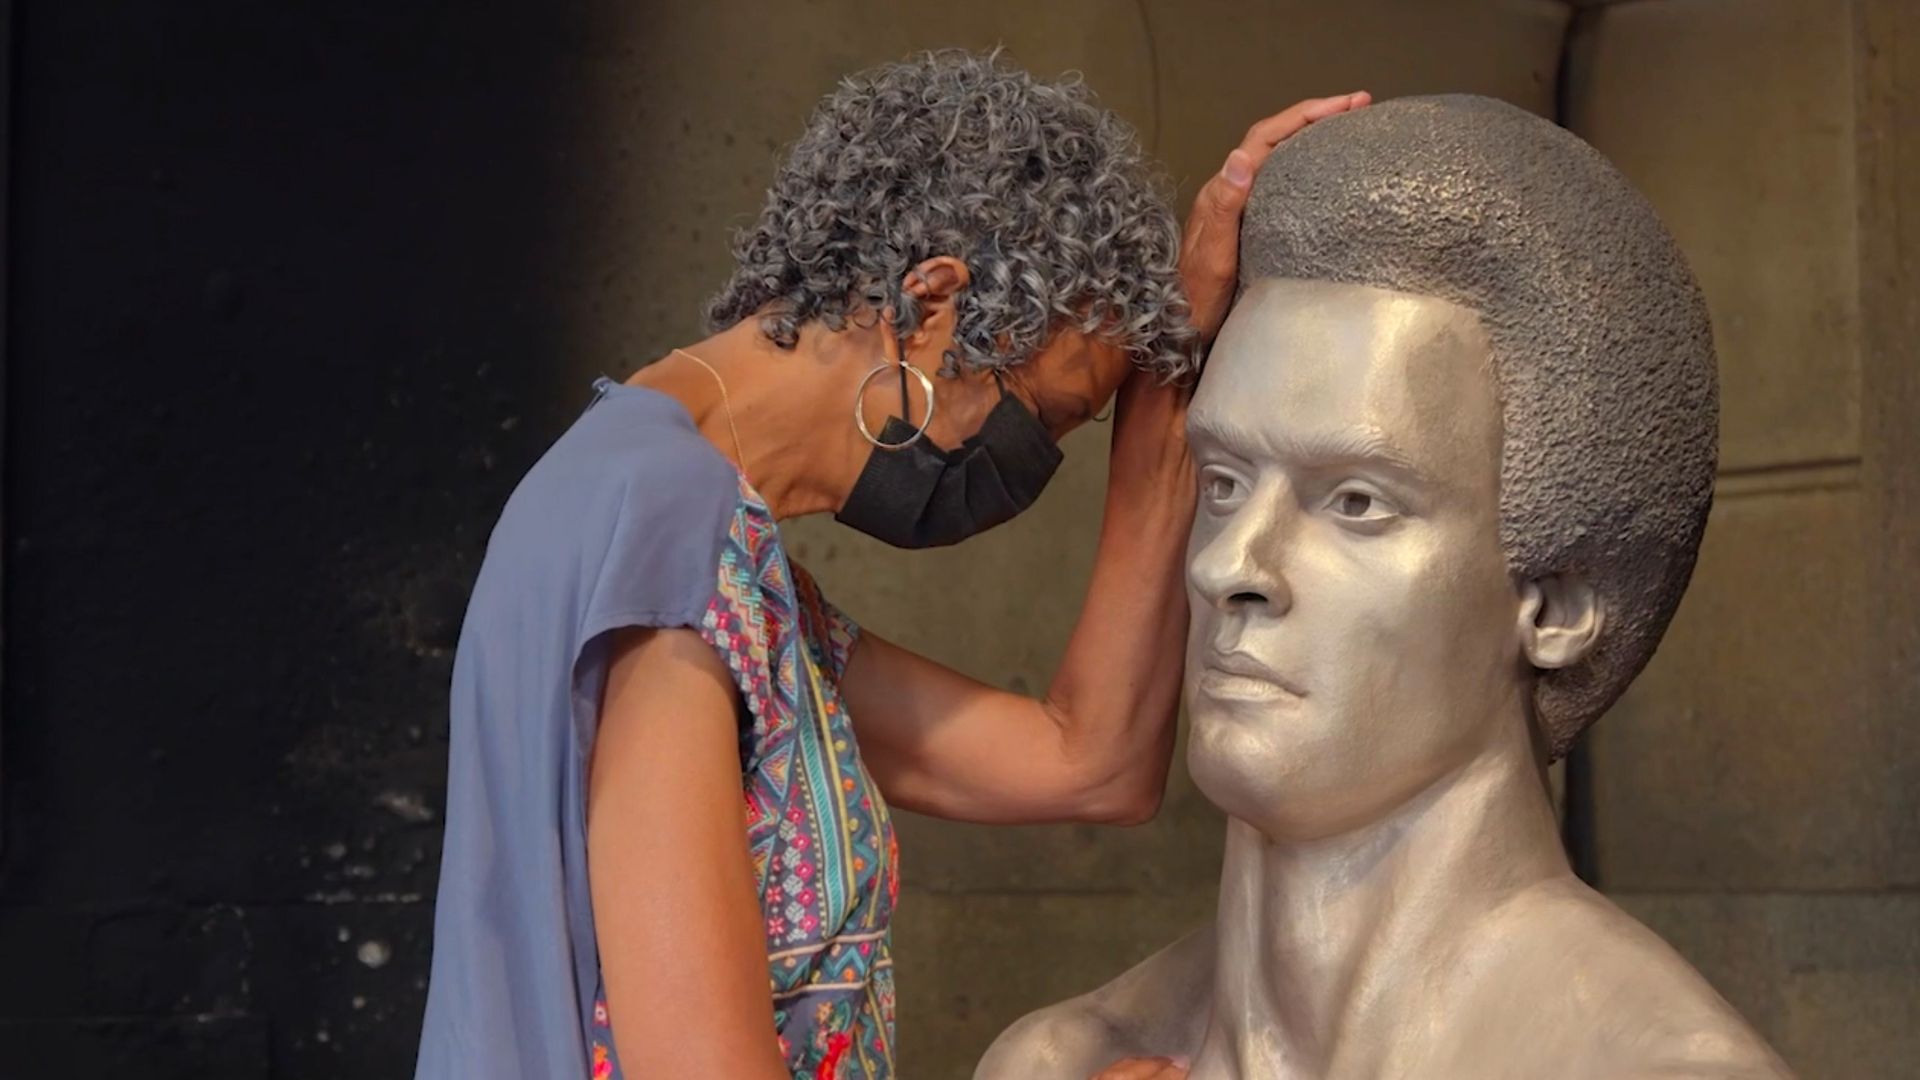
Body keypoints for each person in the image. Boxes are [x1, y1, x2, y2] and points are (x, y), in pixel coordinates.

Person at [413, 48, 1368, 1080]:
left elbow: (1090, 762)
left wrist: (1170, 375)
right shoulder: (666, 537)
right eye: (1044, 418)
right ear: (932, 305)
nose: (1028, 470)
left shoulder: (689, 539)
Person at [977, 95, 1792, 1080]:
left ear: (1557, 605)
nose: (1228, 565)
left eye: (1356, 502)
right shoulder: (1059, 1061)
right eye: (1226, 483)